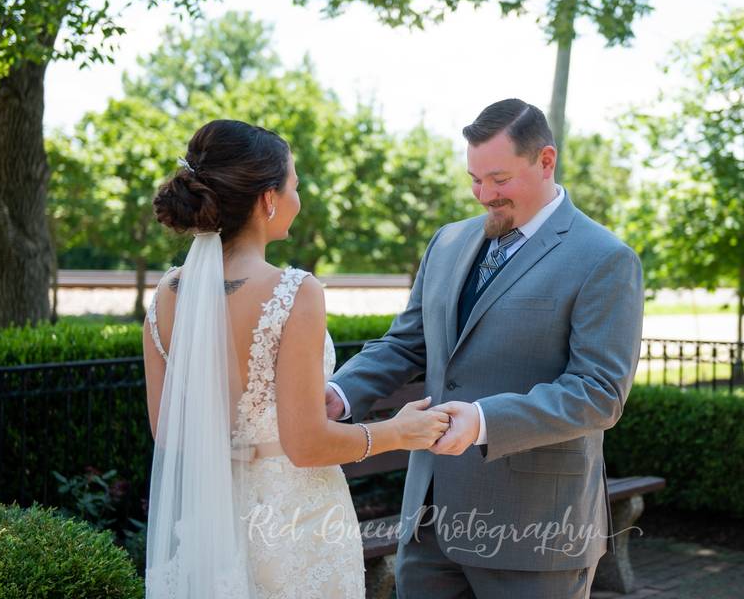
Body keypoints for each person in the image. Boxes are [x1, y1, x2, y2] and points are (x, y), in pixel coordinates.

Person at [326, 99, 644, 598]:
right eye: (475, 179)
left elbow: (599, 392)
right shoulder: (447, 242)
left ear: (545, 161)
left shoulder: (605, 259)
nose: (484, 195)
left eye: (499, 179)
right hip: (428, 524)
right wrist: (339, 393)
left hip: (536, 534)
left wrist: (484, 420)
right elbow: (407, 343)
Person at [141, 119, 450, 599]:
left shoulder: (167, 294)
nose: (297, 199)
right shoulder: (294, 292)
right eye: (294, 186)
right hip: (294, 523)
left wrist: (236, 447)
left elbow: (168, 431)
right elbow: (305, 445)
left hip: (209, 519)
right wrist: (398, 432)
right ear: (268, 199)